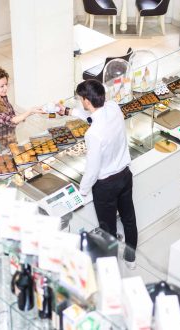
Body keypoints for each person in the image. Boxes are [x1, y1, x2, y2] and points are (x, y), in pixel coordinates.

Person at [58, 80, 137, 269]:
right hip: (125, 176)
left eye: (80, 100)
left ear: (86, 101)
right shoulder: (114, 107)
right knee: (129, 218)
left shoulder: (93, 134)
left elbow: (92, 169)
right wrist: (69, 111)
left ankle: (109, 267)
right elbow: (93, 116)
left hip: (105, 186)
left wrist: (82, 192)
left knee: (107, 229)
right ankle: (131, 258)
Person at [0, 66, 43, 133]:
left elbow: (12, 117)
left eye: (6, 84)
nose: (6, 88)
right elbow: (11, 120)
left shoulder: (3, 97)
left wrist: (33, 111)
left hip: (10, 137)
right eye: (2, 86)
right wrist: (29, 111)